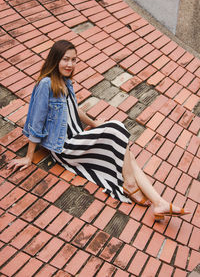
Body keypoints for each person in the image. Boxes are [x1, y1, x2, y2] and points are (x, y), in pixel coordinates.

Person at [8, 40, 190, 221]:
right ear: (55, 59)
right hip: (65, 147)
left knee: (125, 150)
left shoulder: (65, 81)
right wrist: (29, 157)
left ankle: (158, 202)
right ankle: (130, 183)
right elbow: (36, 122)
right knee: (117, 128)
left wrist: (95, 124)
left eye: (74, 59)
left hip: (78, 139)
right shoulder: (45, 85)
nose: (70, 64)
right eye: (66, 59)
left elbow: (74, 109)